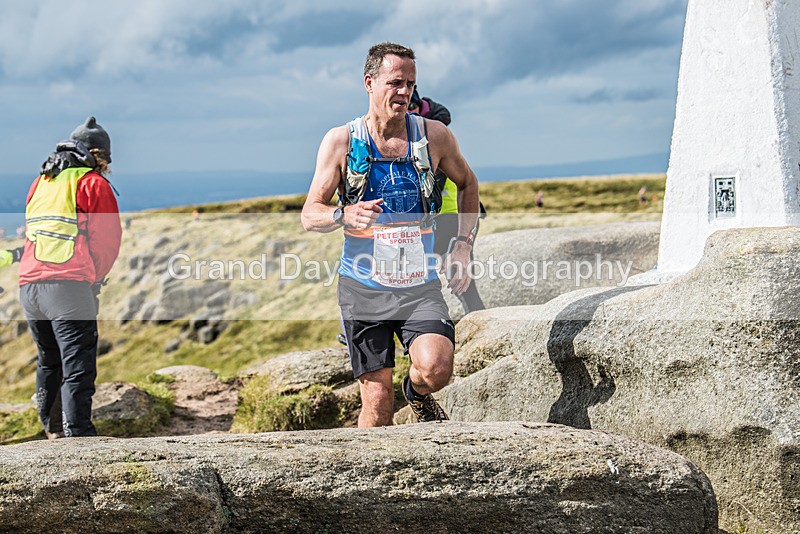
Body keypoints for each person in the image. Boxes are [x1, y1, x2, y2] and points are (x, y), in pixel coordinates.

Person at [302, 42, 480, 427]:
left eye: (410, 84)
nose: (404, 92)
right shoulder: (342, 141)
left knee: (436, 368)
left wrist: (463, 247)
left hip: (418, 285)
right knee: (377, 403)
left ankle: (415, 394)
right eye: (395, 82)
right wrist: (342, 213)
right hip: (362, 288)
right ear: (369, 82)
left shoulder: (434, 137)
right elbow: (310, 213)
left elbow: (468, 184)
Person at [10, 116, 122, 438]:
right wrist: (93, 279)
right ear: (98, 155)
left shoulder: (40, 182)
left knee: (49, 361)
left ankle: (52, 430)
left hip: (29, 286)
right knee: (78, 364)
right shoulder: (92, 184)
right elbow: (106, 241)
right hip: (68, 287)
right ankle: (79, 435)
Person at [409, 89, 485, 314]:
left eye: (412, 109)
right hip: (444, 216)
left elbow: (445, 182)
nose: (409, 115)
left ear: (418, 106)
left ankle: (476, 319)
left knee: (456, 273)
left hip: (451, 217)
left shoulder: (433, 137)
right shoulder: (415, 134)